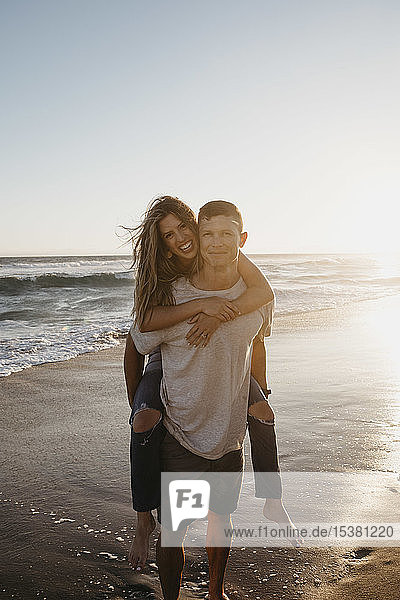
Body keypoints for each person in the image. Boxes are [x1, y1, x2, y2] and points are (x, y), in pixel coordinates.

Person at [124, 197, 296, 573]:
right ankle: (142, 518)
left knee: (262, 411)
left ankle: (272, 497)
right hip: (160, 362)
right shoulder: (164, 275)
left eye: (185, 228)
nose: (182, 238)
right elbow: (140, 333)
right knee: (143, 421)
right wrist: (202, 305)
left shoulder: (225, 251)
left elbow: (262, 297)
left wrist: (258, 382)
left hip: (227, 362)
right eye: (170, 235)